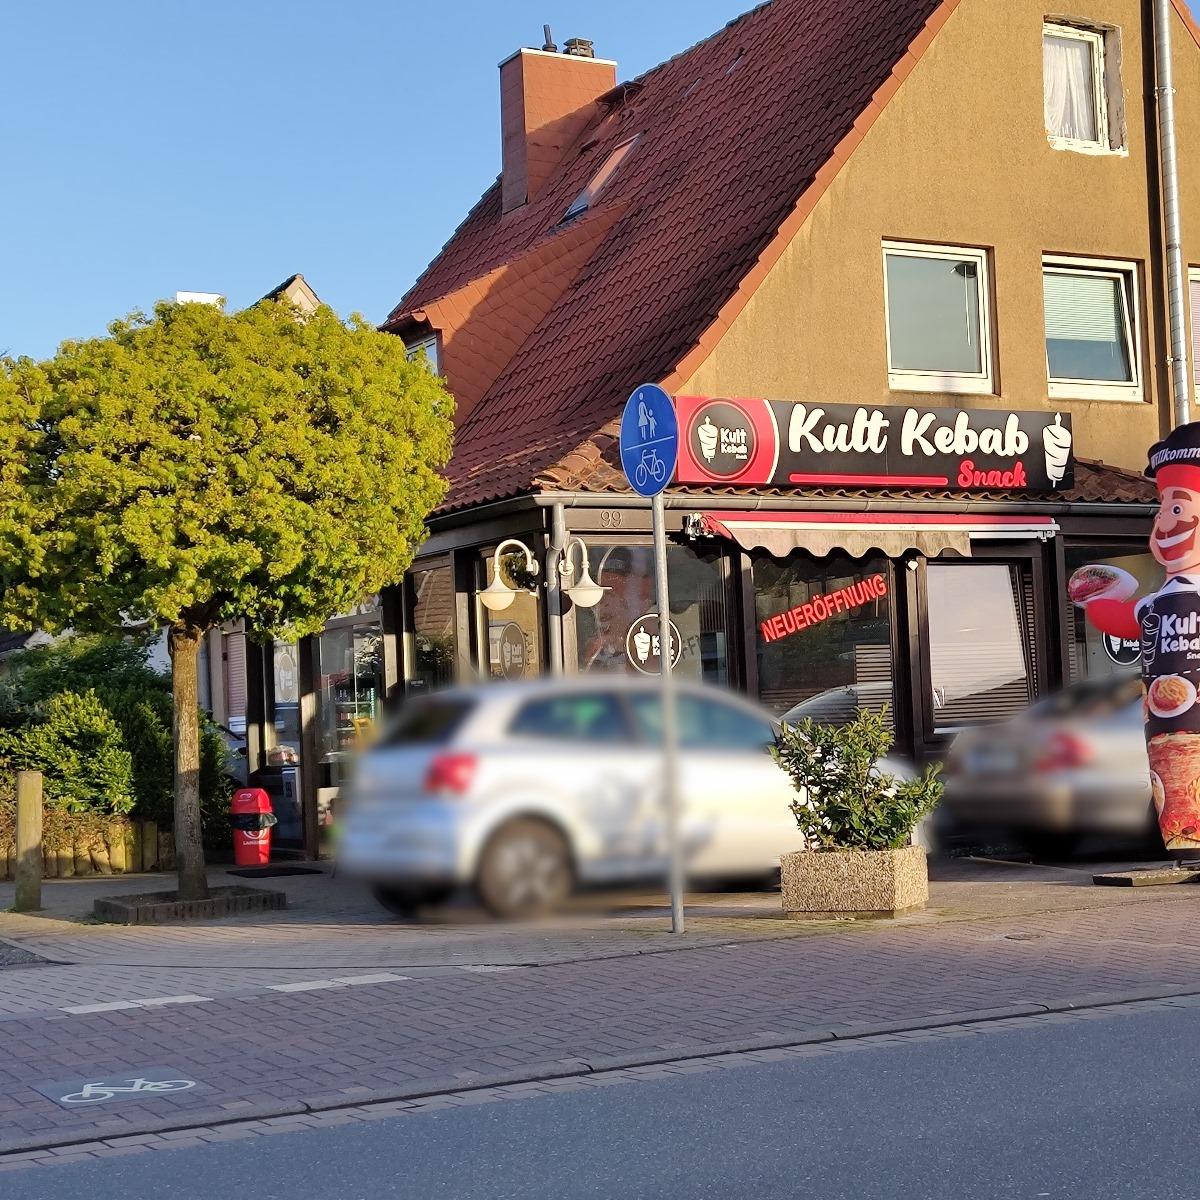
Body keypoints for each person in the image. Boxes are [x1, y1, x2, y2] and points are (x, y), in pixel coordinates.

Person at [1071, 423, 1200, 856]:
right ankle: (1186, 846)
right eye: (1161, 509)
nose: (1164, 521)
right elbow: (1124, 616)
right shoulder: (1157, 601)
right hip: (1161, 725)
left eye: (1177, 508)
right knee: (1174, 793)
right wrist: (1095, 599)